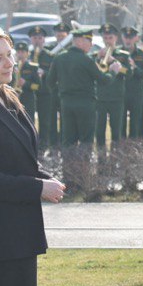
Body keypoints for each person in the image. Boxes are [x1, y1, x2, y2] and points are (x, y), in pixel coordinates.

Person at [0, 30, 66, 286]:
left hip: (14, 238)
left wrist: (42, 178)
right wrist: (34, 188)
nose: (8, 62)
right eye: (0, 57)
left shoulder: (9, 98)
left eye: (9, 55)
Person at [48, 28, 101, 191]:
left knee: (68, 142)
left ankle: (69, 181)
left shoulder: (59, 58)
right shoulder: (86, 60)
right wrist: (112, 72)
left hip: (66, 105)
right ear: (80, 41)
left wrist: (61, 99)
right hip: (86, 106)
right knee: (85, 141)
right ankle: (84, 180)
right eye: (89, 41)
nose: (91, 45)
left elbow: (50, 82)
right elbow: (103, 80)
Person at [93, 25, 130, 155]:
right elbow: (93, 74)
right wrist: (98, 58)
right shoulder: (96, 55)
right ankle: (101, 160)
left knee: (116, 131)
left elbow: (129, 73)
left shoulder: (123, 55)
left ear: (116, 38)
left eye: (110, 37)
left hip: (117, 98)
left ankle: (115, 160)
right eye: (105, 37)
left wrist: (114, 61)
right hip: (100, 98)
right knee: (99, 131)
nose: (108, 40)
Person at [27, 27, 57, 147]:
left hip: (45, 92)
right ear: (31, 39)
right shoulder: (26, 54)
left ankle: (44, 147)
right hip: (29, 93)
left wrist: (44, 73)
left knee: (45, 121)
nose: (37, 41)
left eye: (40, 38)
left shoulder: (50, 56)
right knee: (29, 121)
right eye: (35, 38)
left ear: (44, 40)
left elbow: (55, 74)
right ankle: (31, 145)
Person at [121, 27, 143, 139]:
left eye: (130, 38)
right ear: (122, 38)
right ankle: (119, 150)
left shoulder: (142, 54)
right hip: (121, 93)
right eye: (126, 37)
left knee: (135, 124)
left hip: (136, 94)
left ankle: (132, 151)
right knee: (120, 124)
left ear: (136, 38)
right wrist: (125, 70)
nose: (128, 40)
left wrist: (134, 67)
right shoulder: (117, 52)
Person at [15, 41, 37, 117]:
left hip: (28, 102)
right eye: (18, 52)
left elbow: (38, 86)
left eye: (22, 52)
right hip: (14, 100)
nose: (20, 54)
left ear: (27, 53)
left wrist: (25, 83)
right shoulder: (12, 67)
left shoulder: (33, 67)